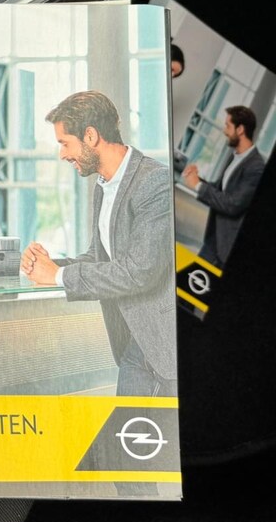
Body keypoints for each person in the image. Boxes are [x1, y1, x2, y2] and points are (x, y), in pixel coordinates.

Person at [20, 91, 175, 397]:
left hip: (164, 346)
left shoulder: (154, 181)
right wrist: (49, 266)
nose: (62, 154)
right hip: (136, 346)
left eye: (65, 143)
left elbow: (139, 272)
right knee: (127, 426)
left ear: (90, 136)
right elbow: (99, 257)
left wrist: (58, 276)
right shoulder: (103, 186)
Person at [183, 105, 266, 266]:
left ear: (240, 129)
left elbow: (233, 204)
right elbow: (220, 190)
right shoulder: (235, 157)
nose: (224, 131)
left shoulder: (256, 167)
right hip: (213, 240)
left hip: (225, 249)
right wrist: (197, 179)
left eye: (228, 126)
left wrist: (199, 186)